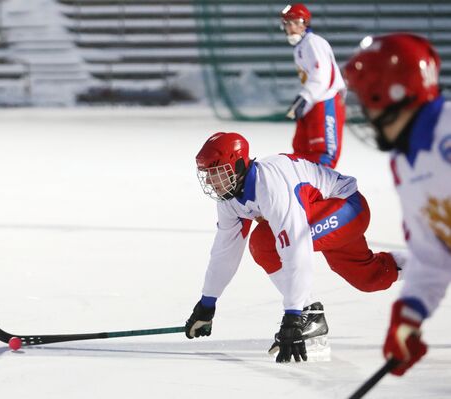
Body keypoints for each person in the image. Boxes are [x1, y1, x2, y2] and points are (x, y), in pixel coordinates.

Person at [185, 132, 404, 363]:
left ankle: (310, 313)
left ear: (238, 165)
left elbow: (295, 248)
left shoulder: (271, 186)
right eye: (206, 174)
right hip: (326, 213)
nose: (209, 181)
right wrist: (207, 303)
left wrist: (293, 314)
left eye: (216, 172)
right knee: (371, 277)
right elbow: (224, 252)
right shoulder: (229, 200)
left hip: (348, 209)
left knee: (264, 243)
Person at [343, 33, 451, 376]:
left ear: (392, 94)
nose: (365, 112)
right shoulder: (405, 162)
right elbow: (432, 252)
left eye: (366, 100)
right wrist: (411, 310)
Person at [280, 3, 346, 169]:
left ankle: (320, 192)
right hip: (313, 103)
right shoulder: (300, 47)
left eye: (296, 22)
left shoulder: (313, 42)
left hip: (325, 101)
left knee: (323, 155)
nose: (292, 27)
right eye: (288, 23)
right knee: (301, 153)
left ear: (306, 23)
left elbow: (322, 76)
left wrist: (305, 97)